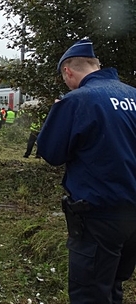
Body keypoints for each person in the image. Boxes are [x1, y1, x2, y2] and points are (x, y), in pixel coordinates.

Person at [37, 39, 136, 303]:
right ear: (96, 65)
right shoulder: (133, 95)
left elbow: (51, 153)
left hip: (98, 218)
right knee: (114, 286)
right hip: (133, 217)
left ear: (68, 72)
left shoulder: (77, 100)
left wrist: (58, 112)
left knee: (91, 294)